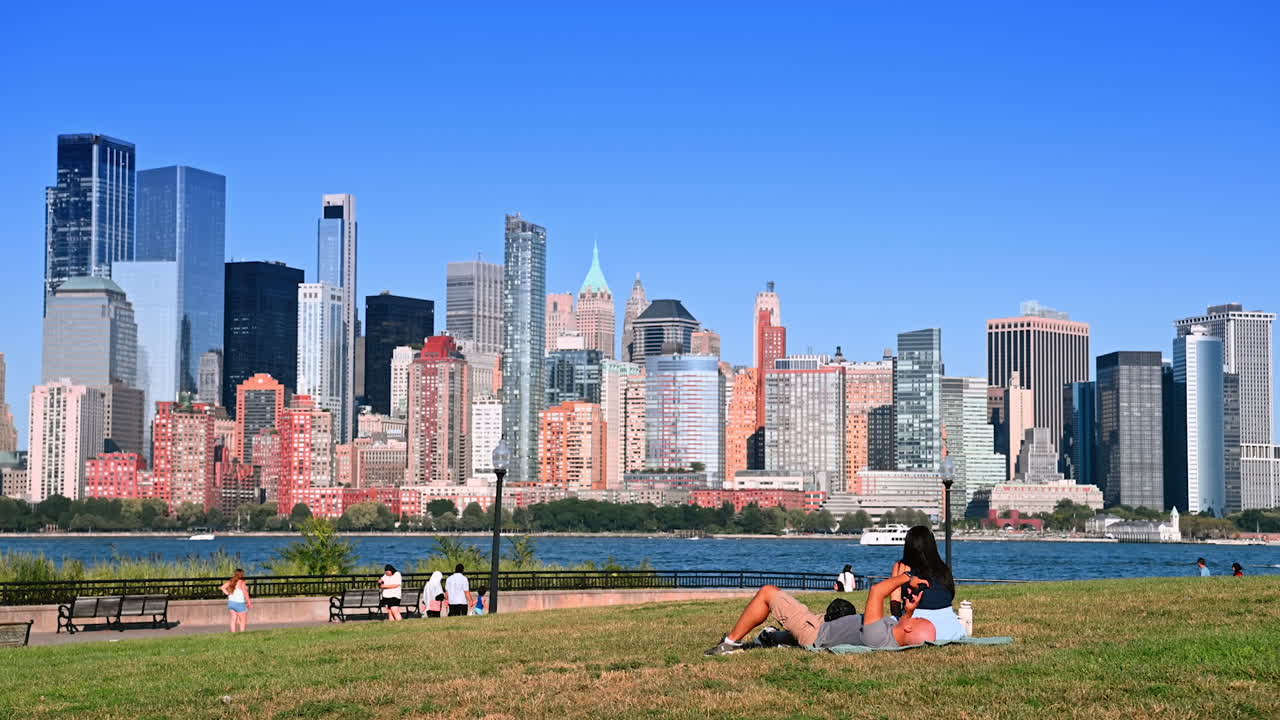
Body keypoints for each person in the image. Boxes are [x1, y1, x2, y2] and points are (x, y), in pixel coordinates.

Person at [704, 573, 936, 655]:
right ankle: (771, 638)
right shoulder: (893, 636)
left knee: (768, 593)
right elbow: (903, 629)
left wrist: (909, 578)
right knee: (786, 633)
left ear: (909, 629)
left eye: (918, 620)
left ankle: (729, 644)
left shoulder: (877, 635)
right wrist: (909, 612)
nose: (917, 617)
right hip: (822, 631)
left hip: (815, 631)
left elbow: (877, 592)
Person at [887, 525, 966, 642]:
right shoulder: (943, 568)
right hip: (952, 629)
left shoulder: (901, 567)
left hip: (920, 630)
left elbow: (895, 605)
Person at [220, 568, 252, 633]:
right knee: (243, 620)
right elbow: (246, 594)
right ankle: (242, 633)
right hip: (239, 603)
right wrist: (249, 602)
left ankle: (233, 633)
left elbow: (222, 587)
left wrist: (228, 594)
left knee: (233, 619)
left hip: (231, 603)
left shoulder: (231, 581)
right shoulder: (242, 583)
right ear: (242, 574)